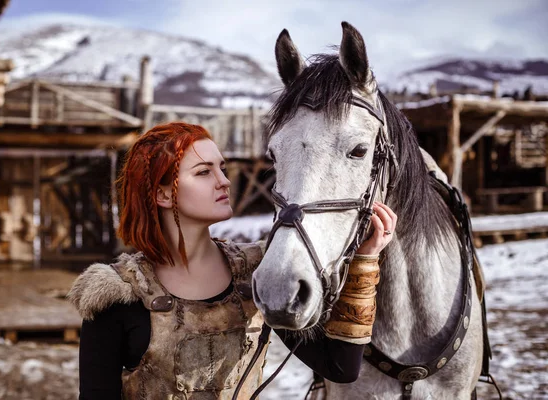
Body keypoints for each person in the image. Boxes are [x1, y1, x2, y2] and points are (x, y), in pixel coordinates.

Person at [67, 122, 397, 400]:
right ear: (163, 194)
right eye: (203, 172)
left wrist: (364, 263)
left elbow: (340, 367)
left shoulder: (254, 273)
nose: (224, 181)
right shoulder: (116, 293)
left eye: (221, 169)